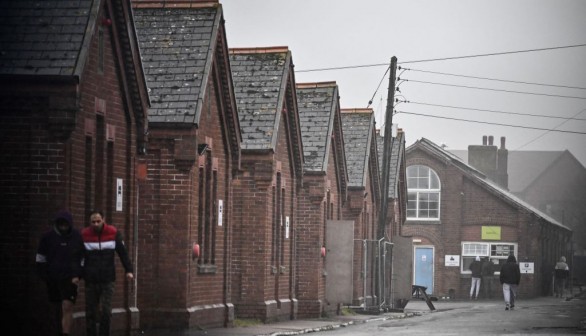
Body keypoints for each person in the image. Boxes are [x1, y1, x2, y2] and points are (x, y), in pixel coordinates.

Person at [82, 210, 134, 336]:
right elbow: (78, 256)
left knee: (106, 311)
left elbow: (123, 253)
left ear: (103, 220)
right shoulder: (84, 234)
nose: (95, 224)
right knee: (90, 312)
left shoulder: (113, 233)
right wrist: (77, 275)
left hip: (107, 278)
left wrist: (129, 270)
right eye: (93, 222)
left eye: (98, 221)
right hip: (91, 278)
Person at [36, 210, 84, 336]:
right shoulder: (47, 238)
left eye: (66, 224)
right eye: (61, 224)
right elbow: (40, 258)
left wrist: (78, 275)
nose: (63, 227)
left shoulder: (77, 236)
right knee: (56, 308)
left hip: (70, 278)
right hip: (53, 277)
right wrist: (44, 275)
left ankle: (65, 333)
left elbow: (83, 257)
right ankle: (57, 330)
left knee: (67, 306)